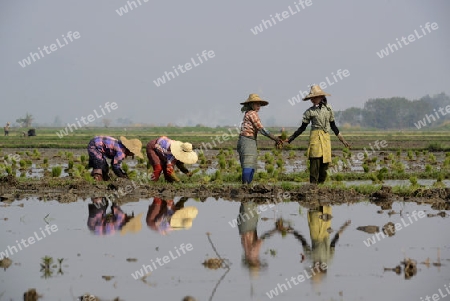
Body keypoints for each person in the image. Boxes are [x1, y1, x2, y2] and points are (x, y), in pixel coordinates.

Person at [285, 85, 350, 184]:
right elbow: (302, 128)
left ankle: (320, 187)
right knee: (314, 163)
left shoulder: (329, 109)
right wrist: (290, 139)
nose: (312, 100)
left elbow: (333, 126)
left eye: (315, 97)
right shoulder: (309, 112)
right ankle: (313, 187)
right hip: (315, 137)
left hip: (326, 138)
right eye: (312, 98)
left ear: (321, 97)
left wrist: (343, 140)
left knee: (325, 165)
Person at [237, 94, 283, 184]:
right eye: (256, 104)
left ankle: (247, 186)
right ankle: (245, 186)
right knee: (248, 163)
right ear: (251, 104)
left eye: (259, 104)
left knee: (251, 163)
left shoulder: (249, 113)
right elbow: (261, 128)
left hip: (249, 140)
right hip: (247, 140)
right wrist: (275, 138)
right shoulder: (252, 113)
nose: (258, 106)